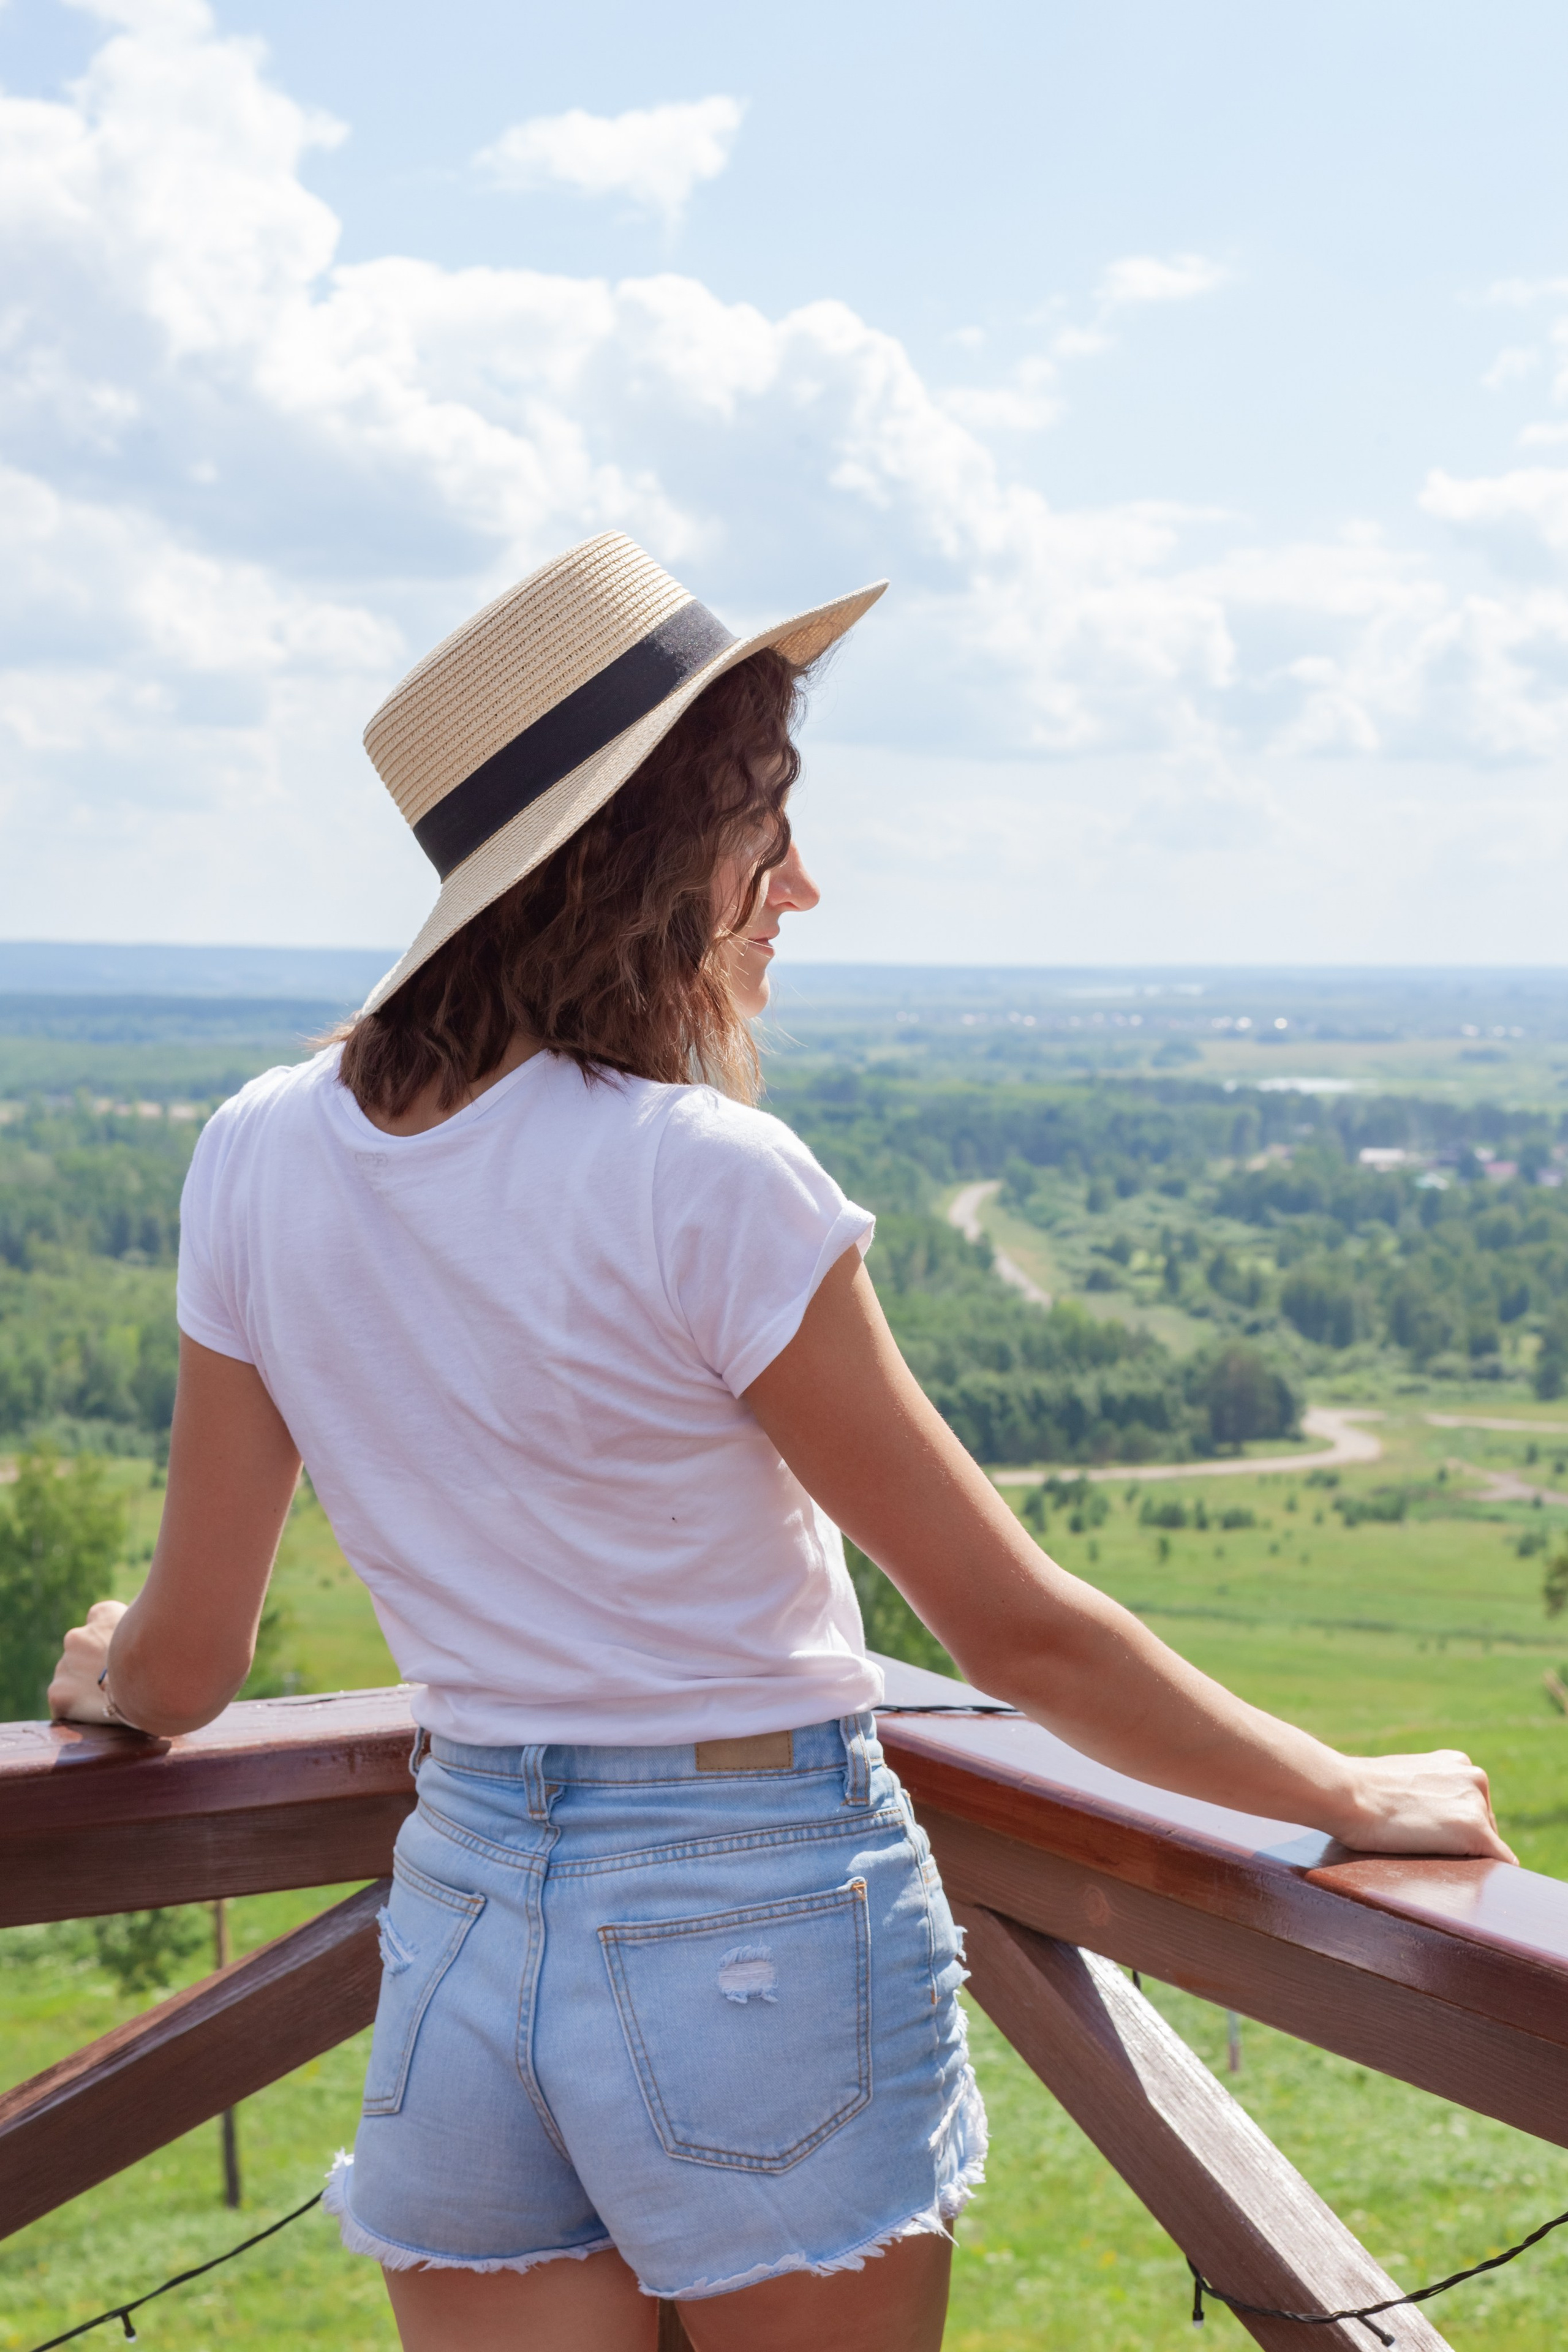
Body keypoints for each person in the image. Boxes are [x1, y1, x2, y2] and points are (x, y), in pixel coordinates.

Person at [49, 533, 1512, 2352]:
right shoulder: (702, 1180)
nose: (798, 884)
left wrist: (111, 1668)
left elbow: (185, 1668)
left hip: (463, 1912)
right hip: (754, 1906)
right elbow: (1016, 1634)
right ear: (634, 855)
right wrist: (1341, 1795)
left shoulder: (255, 1153)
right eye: (766, 823)